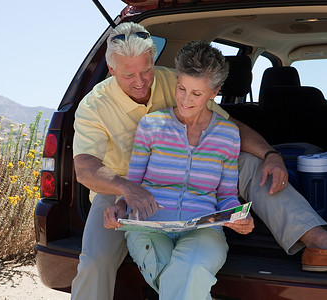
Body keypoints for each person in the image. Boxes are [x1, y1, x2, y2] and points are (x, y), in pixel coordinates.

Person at [72, 22, 327, 300]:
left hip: (194, 188)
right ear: (112, 70)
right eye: (128, 75)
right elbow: (85, 168)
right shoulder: (93, 106)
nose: (140, 81)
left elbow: (231, 127)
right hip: (120, 187)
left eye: (146, 70)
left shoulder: (176, 81)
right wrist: (127, 191)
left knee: (251, 162)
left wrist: (271, 155)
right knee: (94, 262)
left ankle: (318, 241)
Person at [104, 40, 254, 299]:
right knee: (184, 282)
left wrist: (237, 216)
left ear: (214, 92)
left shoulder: (229, 135)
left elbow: (227, 194)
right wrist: (120, 205)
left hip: (203, 229)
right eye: (181, 88)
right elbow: (133, 184)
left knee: (190, 269)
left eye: (196, 94)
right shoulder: (150, 125)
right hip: (149, 226)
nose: (185, 99)